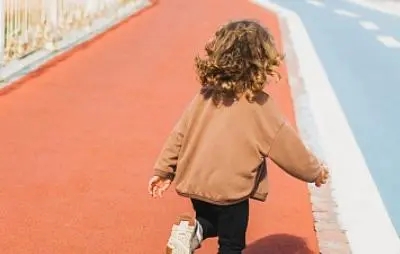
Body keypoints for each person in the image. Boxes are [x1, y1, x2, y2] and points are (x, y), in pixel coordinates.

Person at [147, 19, 329, 254]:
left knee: (210, 220)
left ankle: (193, 230)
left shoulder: (205, 95)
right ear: (262, 61)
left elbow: (179, 133)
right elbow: (288, 148)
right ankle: (196, 230)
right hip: (232, 188)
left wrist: (163, 171)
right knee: (232, 243)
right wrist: (315, 171)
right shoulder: (260, 105)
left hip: (197, 181)